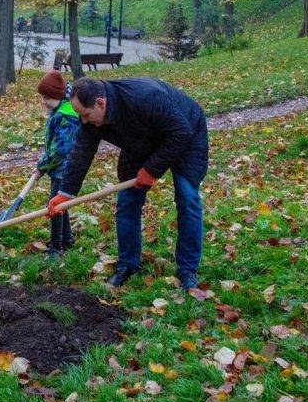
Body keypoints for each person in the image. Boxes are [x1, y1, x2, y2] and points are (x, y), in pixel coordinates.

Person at [47, 77, 208, 290]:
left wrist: (151, 169)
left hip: (186, 132)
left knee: (187, 198)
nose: (83, 121)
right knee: (127, 203)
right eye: (80, 116)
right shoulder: (92, 118)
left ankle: (187, 271)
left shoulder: (145, 97)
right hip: (140, 141)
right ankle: (128, 266)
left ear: (101, 103)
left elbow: (180, 133)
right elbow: (81, 152)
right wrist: (64, 193)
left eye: (85, 115)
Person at [33, 70, 82, 257]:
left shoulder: (67, 115)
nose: (43, 102)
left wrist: (41, 167)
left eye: (46, 98)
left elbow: (59, 150)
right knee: (60, 204)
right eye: (42, 97)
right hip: (58, 167)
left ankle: (55, 246)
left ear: (57, 96)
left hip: (64, 168)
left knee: (54, 206)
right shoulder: (60, 109)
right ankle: (66, 238)